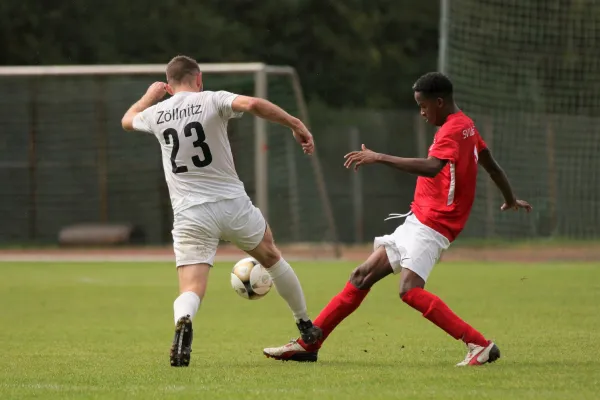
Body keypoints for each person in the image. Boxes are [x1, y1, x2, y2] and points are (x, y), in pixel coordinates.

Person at [262, 71, 532, 366]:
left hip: (433, 224)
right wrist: (509, 198)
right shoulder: (466, 125)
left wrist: (379, 157)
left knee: (409, 290)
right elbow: (491, 165)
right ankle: (309, 344)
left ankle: (479, 344)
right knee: (361, 276)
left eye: (424, 106)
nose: (422, 112)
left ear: (439, 102)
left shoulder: (452, 130)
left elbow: (432, 167)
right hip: (419, 220)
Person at [121, 55, 322, 367]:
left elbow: (127, 120)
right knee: (271, 255)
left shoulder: (157, 113)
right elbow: (253, 104)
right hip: (232, 205)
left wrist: (150, 96)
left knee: (191, 287)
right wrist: (295, 123)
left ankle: (185, 320)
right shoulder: (212, 99)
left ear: (169, 86)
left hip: (190, 213)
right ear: (199, 78)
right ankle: (304, 324)